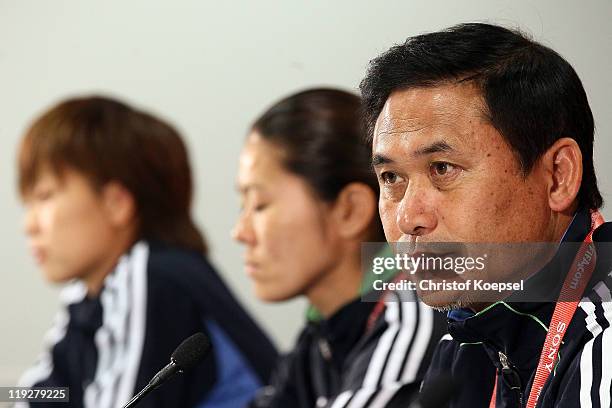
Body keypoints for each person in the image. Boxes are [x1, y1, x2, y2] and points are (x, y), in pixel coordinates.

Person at [360, 22, 612, 407]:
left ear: (559, 176)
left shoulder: (603, 341)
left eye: (442, 168)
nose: (409, 217)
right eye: (391, 177)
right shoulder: (464, 341)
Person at [16, 96, 278, 408]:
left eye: (44, 197)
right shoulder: (86, 293)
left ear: (116, 204)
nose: (28, 225)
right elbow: (42, 393)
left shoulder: (151, 279)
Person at [232, 88, 447, 408]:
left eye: (260, 205)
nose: (240, 233)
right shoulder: (319, 339)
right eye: (242, 206)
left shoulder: (414, 315)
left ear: (350, 210)